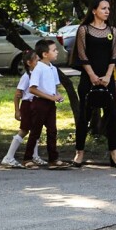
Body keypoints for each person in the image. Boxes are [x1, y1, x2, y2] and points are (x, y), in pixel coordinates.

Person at [70, 0, 116, 168]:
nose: (107, 11)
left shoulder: (112, 31)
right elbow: (82, 54)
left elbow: (114, 56)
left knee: (112, 115)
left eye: (108, 8)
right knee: (84, 115)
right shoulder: (83, 30)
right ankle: (79, 153)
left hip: (107, 79)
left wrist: (107, 76)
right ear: (94, 10)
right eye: (103, 8)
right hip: (88, 78)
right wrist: (92, 75)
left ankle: (114, 154)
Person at [22, 38, 68, 169]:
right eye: (54, 50)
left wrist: (57, 96)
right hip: (39, 103)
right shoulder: (38, 68)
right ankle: (27, 158)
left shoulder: (52, 68)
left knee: (52, 131)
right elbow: (32, 89)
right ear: (45, 54)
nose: (57, 52)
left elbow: (53, 87)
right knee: (36, 131)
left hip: (50, 104)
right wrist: (49, 97)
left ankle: (53, 159)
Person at [1, 50, 42, 167]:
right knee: (24, 130)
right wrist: (17, 110)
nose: (39, 62)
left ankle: (35, 156)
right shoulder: (26, 77)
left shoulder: (37, 74)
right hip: (27, 105)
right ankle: (8, 157)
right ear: (29, 63)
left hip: (35, 104)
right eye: (37, 60)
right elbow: (18, 94)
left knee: (35, 131)